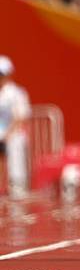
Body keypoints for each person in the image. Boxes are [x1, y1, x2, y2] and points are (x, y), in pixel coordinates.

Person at [0, 56, 31, 200]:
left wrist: (6, 135)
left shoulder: (17, 93)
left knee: (15, 147)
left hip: (13, 135)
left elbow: (20, 117)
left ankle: (17, 189)